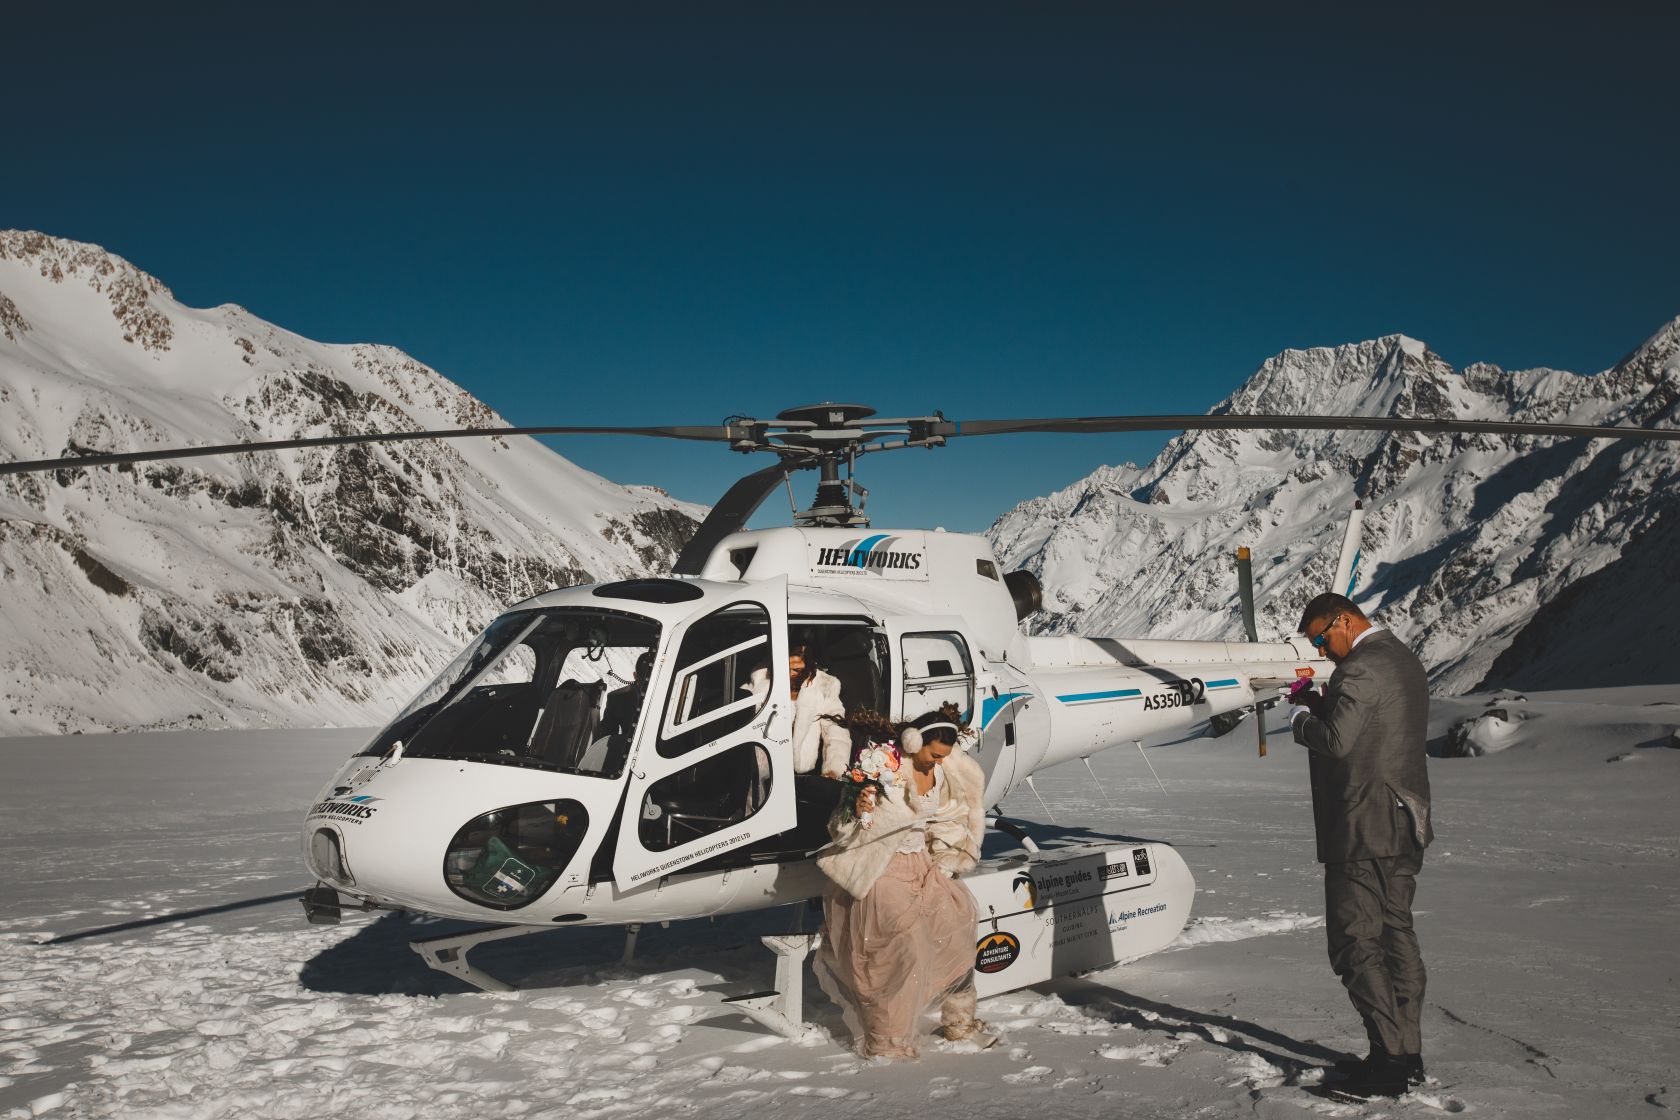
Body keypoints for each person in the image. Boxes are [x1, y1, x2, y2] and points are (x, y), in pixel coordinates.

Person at [1290, 593, 1434, 1099]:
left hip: (1363, 826)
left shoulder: (1359, 669)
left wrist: (1300, 719)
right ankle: (1407, 1054)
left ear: (1345, 621)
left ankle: (1387, 1059)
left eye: (1321, 638)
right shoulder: (1403, 659)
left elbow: (1336, 742)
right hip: (1404, 821)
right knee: (1396, 936)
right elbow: (1372, 727)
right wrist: (1321, 704)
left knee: (1354, 942)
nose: (1321, 650)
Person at [813, 707, 990, 1059]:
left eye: (944, 756)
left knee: (957, 926)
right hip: (881, 869)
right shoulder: (883, 769)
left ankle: (959, 1021)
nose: (938, 762)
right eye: (933, 754)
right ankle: (888, 1040)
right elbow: (839, 829)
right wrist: (859, 811)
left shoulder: (942, 772)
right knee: (904, 949)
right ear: (913, 742)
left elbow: (947, 818)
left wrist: (949, 856)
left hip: (921, 866)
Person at [747, 645, 852, 777]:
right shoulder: (762, 677)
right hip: (756, 766)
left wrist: (834, 770)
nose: (788, 674)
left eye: (796, 669)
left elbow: (836, 730)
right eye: (785, 667)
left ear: (809, 667)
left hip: (795, 773)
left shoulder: (825, 686)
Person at [599, 650, 654, 776]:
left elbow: (605, 737)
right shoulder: (675, 696)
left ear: (634, 675)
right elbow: (606, 739)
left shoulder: (617, 698)